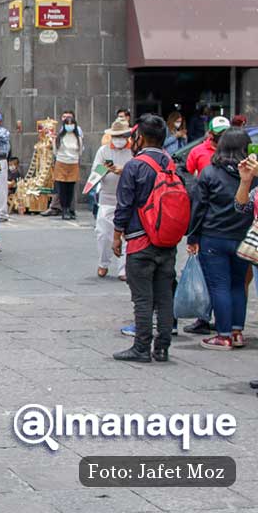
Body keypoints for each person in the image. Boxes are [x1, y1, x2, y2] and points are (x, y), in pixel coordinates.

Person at [112, 114, 178, 362]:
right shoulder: (170, 163)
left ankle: (141, 347)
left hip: (141, 239)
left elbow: (124, 205)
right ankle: (162, 347)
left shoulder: (135, 166)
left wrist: (117, 236)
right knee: (164, 296)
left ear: (139, 137)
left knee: (142, 298)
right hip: (167, 240)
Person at [188, 128, 255, 350]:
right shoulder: (253, 175)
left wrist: (193, 236)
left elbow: (199, 208)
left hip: (214, 236)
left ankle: (223, 335)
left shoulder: (209, 173)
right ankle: (236, 332)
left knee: (219, 286)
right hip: (243, 237)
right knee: (238, 284)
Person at [91, 118, 133, 281]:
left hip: (127, 198)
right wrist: (105, 170)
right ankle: (103, 263)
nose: (119, 140)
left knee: (127, 235)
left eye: (121, 136)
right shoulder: (103, 151)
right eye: (116, 136)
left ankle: (124, 269)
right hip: (107, 198)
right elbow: (94, 174)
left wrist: (124, 170)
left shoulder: (133, 151)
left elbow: (137, 171)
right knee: (103, 233)